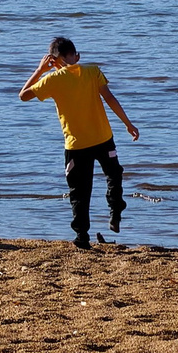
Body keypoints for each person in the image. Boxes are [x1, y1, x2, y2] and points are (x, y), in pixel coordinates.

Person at [19, 36, 138, 250]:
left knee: (80, 191)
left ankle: (82, 235)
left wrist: (39, 70)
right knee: (114, 174)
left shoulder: (52, 80)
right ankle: (115, 211)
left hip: (76, 145)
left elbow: (23, 96)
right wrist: (128, 124)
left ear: (52, 61)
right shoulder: (93, 71)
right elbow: (110, 98)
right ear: (76, 56)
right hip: (103, 138)